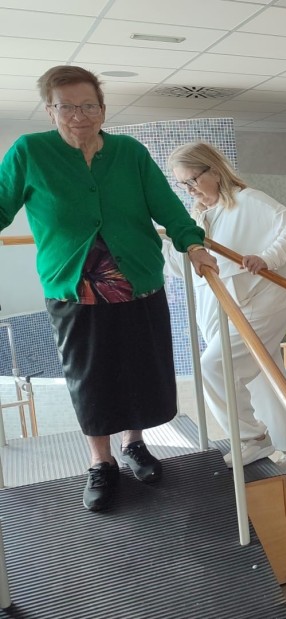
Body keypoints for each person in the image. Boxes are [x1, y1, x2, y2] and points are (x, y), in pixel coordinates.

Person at [0, 65, 219, 512]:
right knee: (91, 377)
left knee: (139, 369)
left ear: (102, 109)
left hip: (137, 281)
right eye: (67, 107)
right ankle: (101, 462)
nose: (79, 115)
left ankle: (134, 444)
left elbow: (168, 207)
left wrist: (194, 246)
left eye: (88, 106)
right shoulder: (30, 151)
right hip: (73, 286)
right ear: (50, 110)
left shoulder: (129, 152)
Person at [164, 141, 286, 474]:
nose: (189, 190)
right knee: (263, 378)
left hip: (265, 301)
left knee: (214, 367)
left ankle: (251, 438)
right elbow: (181, 268)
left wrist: (268, 257)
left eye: (192, 180)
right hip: (232, 306)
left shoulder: (249, 200)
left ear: (215, 171)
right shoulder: (199, 216)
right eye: (182, 184)